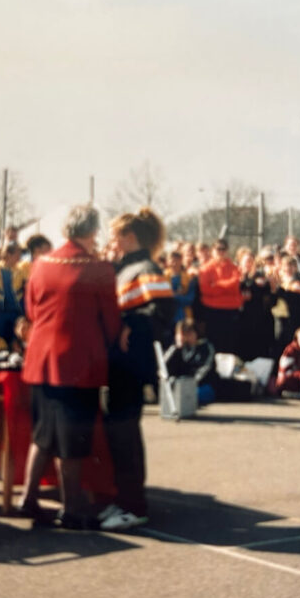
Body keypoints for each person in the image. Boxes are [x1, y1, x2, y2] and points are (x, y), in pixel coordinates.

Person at [19, 204, 121, 528]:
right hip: (78, 362)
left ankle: (28, 497)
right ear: (92, 232)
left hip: (40, 360)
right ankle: (73, 508)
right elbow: (112, 321)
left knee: (43, 434)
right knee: (72, 442)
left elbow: (32, 310)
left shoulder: (41, 263)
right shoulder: (99, 268)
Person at [100, 208, 174, 531]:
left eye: (115, 235)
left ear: (129, 238)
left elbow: (163, 310)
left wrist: (134, 324)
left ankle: (134, 505)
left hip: (131, 365)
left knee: (126, 433)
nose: (111, 241)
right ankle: (123, 498)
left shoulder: (144, 268)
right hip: (118, 364)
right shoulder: (125, 267)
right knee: (118, 433)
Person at [196, 238, 242, 353]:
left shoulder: (233, 267)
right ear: (212, 250)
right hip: (212, 311)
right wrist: (227, 287)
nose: (221, 252)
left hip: (230, 311)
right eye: (218, 249)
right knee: (213, 344)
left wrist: (216, 285)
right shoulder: (206, 268)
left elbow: (235, 284)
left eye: (223, 249)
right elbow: (205, 289)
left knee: (229, 345)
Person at [163, 319, 219, 406]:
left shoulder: (206, 347)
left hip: (201, 385)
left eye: (189, 333)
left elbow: (204, 368)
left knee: (189, 396)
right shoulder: (177, 349)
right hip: (180, 384)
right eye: (184, 334)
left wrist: (190, 384)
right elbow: (164, 366)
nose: (186, 337)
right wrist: (176, 348)